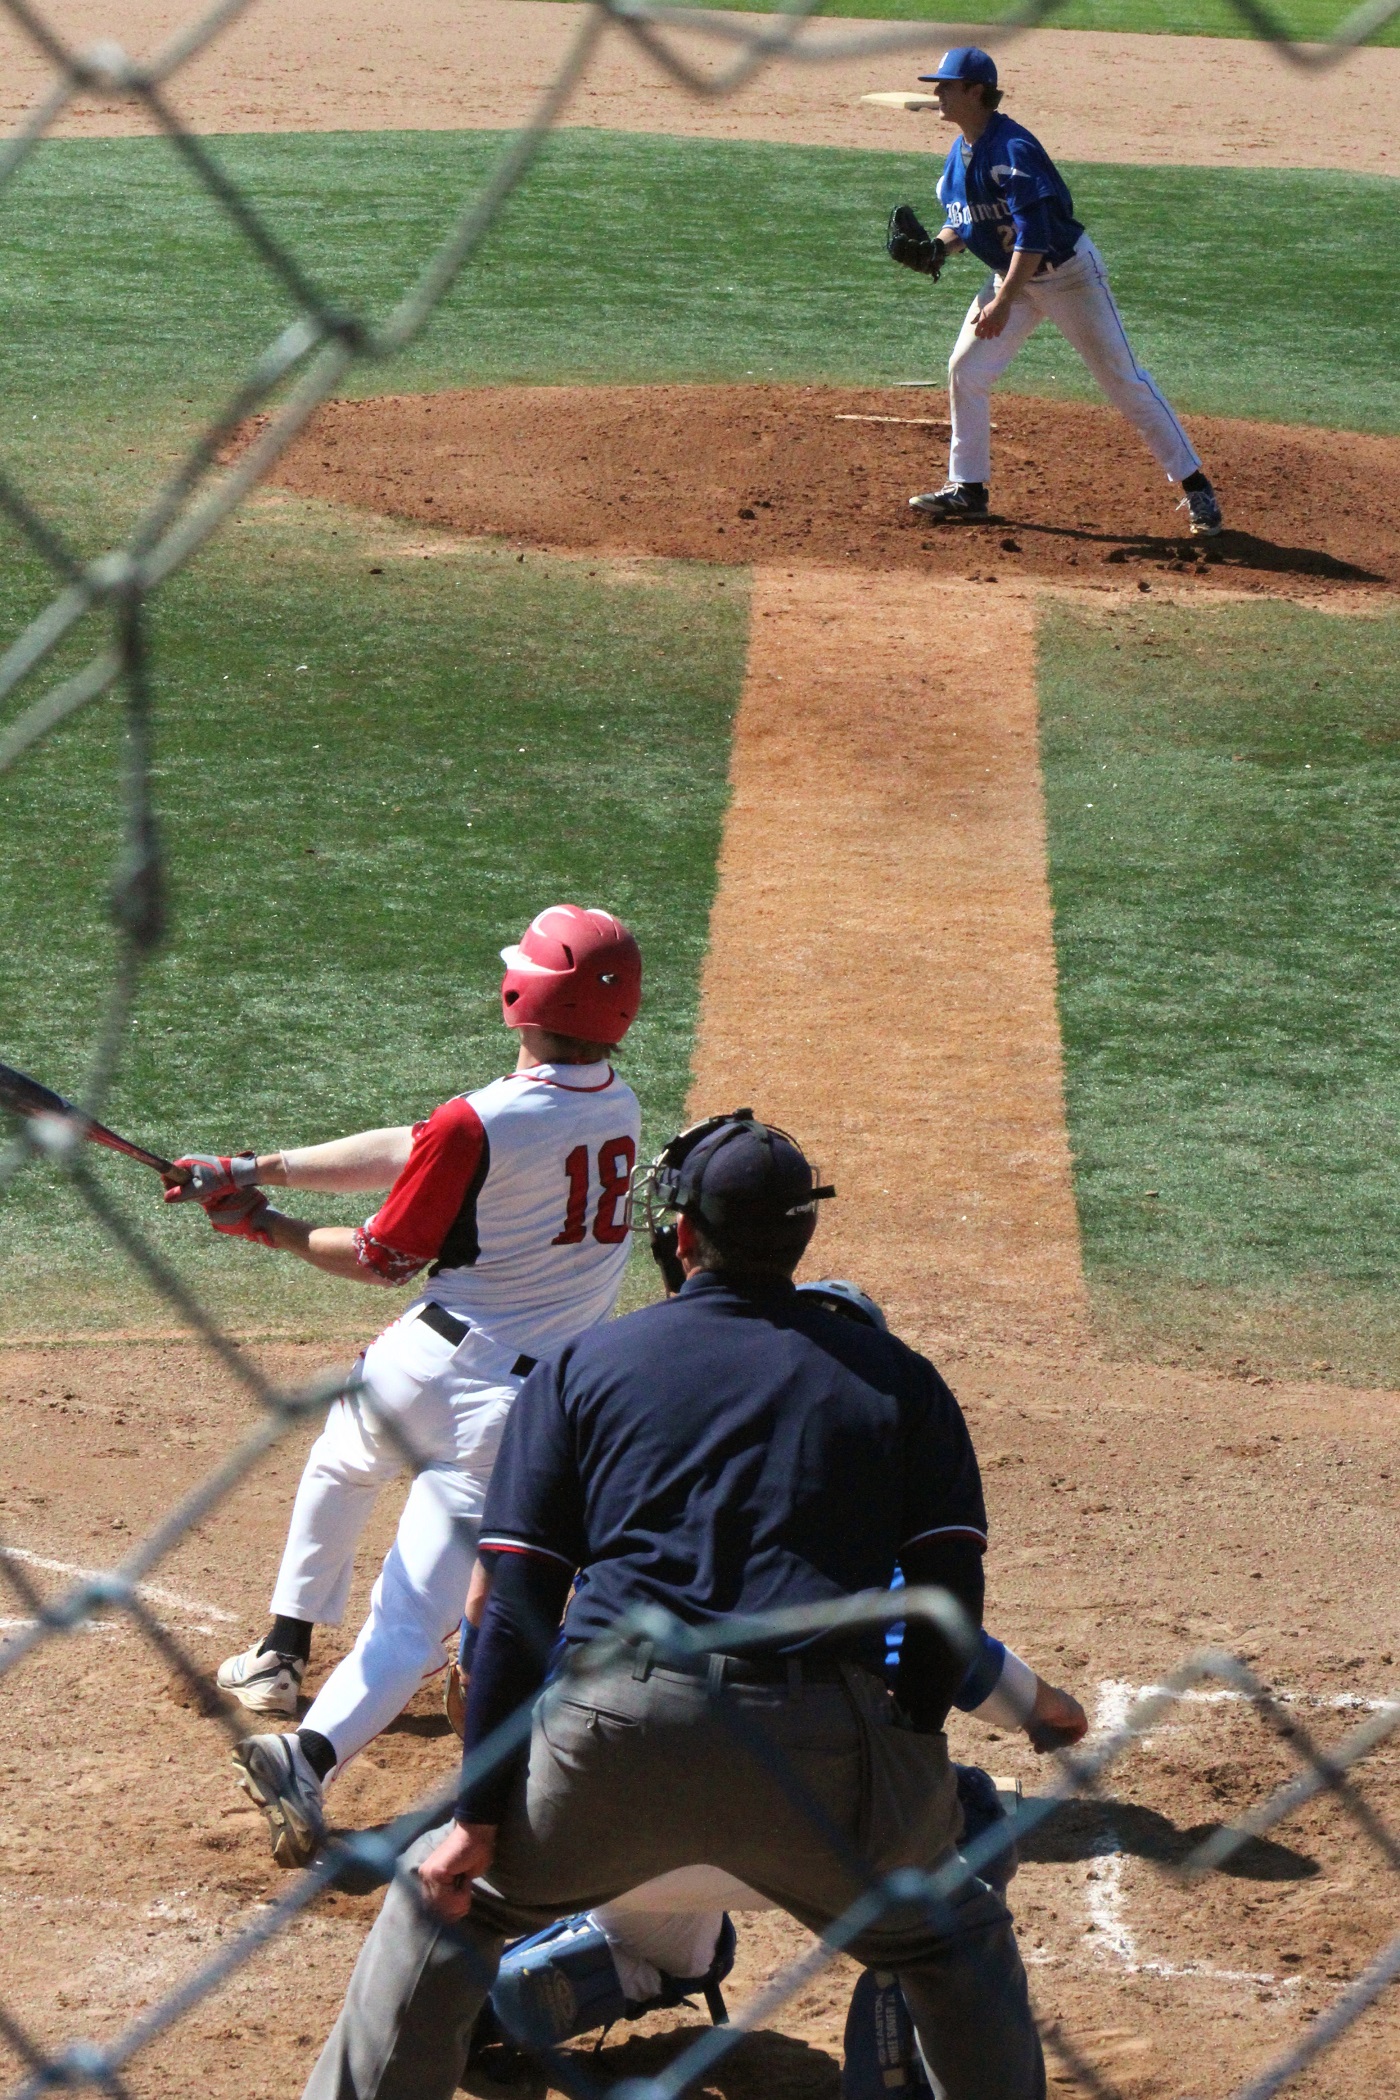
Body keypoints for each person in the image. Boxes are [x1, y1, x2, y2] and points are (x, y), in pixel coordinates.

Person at [300, 1111, 1046, 2100]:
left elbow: (514, 1606)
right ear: (802, 1235)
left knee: (440, 1905)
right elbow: (949, 1599)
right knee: (954, 1934)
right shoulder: (901, 1381)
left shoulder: (582, 1367)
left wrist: (476, 1818)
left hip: (612, 1739)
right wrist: (902, 1744)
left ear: (681, 1233)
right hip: (828, 1760)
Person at [445, 1273, 1088, 2075]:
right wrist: (1050, 1710)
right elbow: (1005, 1686)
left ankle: (512, 1988)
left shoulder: (639, 1512)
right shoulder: (871, 1565)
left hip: (598, 1829)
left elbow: (490, 1604)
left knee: (676, 1929)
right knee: (972, 1822)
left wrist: (476, 1677)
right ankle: (891, 2073)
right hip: (808, 1840)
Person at [164, 903, 642, 1866]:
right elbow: (422, 1147)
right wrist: (255, 1170)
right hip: (513, 1410)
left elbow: (383, 1257)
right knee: (409, 1620)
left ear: (517, 995)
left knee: (341, 1467)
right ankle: (307, 1754)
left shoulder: (483, 1118)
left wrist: (267, 1226)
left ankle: (281, 1653)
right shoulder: (614, 1104)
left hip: (417, 1363)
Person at [896, 46, 1222, 537]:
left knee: (1123, 379)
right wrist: (936, 250)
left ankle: (1196, 486)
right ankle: (968, 488)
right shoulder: (960, 153)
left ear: (976, 91)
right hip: (1013, 277)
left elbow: (1034, 235)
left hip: (1068, 276)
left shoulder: (1013, 149)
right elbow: (964, 223)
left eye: (947, 84)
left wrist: (1003, 302)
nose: (937, 92)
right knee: (967, 369)